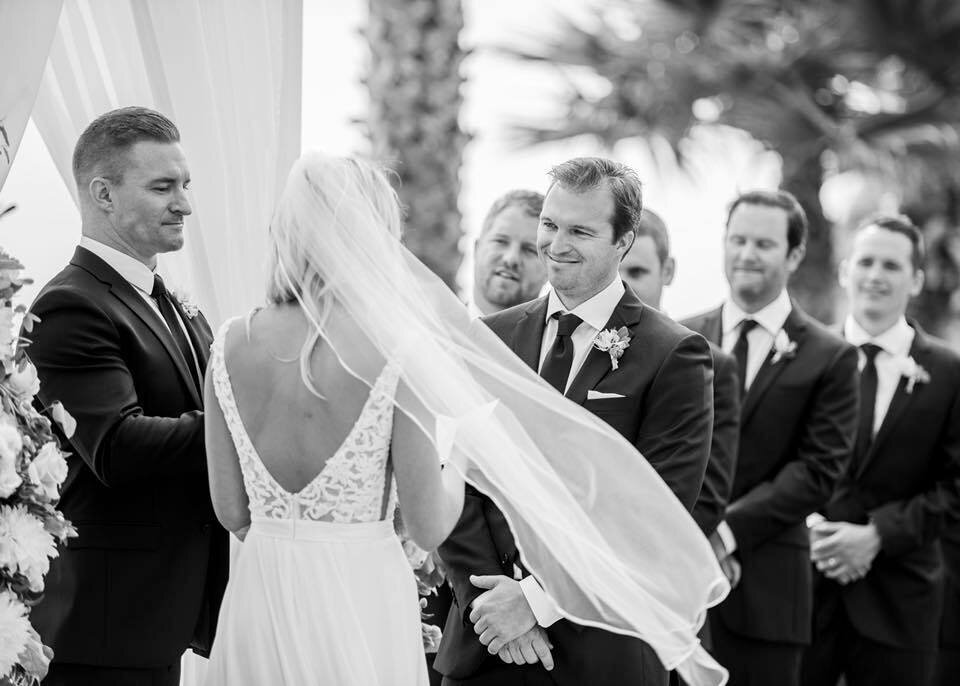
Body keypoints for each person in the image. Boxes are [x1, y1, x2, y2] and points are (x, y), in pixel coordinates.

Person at [436, 157, 716, 686]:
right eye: (550, 224)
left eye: (580, 231)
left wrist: (538, 603)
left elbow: (653, 513)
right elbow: (453, 475)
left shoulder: (673, 354)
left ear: (624, 241)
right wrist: (490, 607)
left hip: (601, 654)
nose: (555, 244)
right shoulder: (486, 338)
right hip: (484, 646)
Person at [202, 155, 466, 685]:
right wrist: (461, 448)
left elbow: (231, 511)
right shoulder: (395, 352)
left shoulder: (230, 344)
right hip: (359, 591)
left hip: (262, 588)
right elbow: (428, 524)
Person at [25, 107, 228, 686]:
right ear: (103, 194)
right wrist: (247, 422)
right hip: (106, 625)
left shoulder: (168, 300)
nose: (185, 204)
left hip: (165, 612)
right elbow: (115, 444)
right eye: (163, 187)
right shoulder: (70, 305)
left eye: (185, 185)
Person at [682, 190, 859, 686]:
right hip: (675, 588)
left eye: (764, 243)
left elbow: (818, 471)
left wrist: (725, 532)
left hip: (767, 596)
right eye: (737, 240)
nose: (746, 254)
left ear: (795, 254)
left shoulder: (832, 356)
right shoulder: (680, 339)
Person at [800, 216, 960, 686]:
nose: (875, 275)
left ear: (915, 280)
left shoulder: (950, 372)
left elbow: (956, 488)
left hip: (902, 601)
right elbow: (774, 461)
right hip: (807, 592)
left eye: (891, 265)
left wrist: (876, 536)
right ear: (845, 270)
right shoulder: (807, 356)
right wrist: (809, 528)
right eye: (865, 262)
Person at [620, 208, 741, 546]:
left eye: (637, 272)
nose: (622, 287)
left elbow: (707, 498)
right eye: (612, 273)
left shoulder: (713, 364)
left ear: (668, 270)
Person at [469, 190, 547, 317]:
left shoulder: (561, 337)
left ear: (549, 269)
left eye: (530, 249)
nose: (511, 258)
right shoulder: (433, 333)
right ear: (476, 248)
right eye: (500, 241)